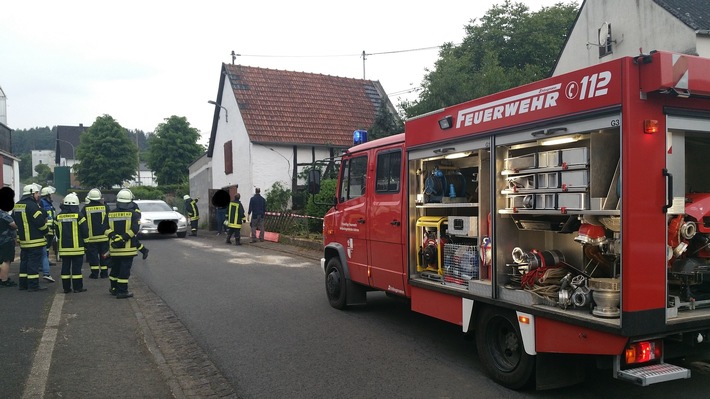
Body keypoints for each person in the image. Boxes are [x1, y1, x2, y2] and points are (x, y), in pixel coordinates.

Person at [13, 184, 49, 291]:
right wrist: (46, 230)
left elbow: (15, 220)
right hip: (35, 241)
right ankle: (33, 286)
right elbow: (40, 222)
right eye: (37, 193)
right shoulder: (32, 206)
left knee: (24, 263)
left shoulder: (17, 205)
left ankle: (23, 284)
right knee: (33, 264)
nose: (38, 195)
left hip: (24, 241)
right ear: (32, 193)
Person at [106, 188, 141, 299]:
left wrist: (114, 237)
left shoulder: (110, 214)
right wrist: (123, 238)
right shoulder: (134, 214)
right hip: (127, 249)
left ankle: (114, 289)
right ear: (130, 202)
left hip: (114, 249)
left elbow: (104, 228)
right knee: (124, 271)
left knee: (115, 269)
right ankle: (122, 291)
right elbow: (135, 229)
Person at [55, 193, 89, 293]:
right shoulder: (79, 216)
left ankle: (66, 288)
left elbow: (57, 232)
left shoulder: (58, 217)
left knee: (65, 268)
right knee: (76, 270)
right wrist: (86, 244)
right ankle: (77, 288)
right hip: (77, 248)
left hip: (64, 248)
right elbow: (85, 231)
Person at [81, 188, 111, 279]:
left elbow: (83, 223)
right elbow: (109, 220)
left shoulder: (85, 208)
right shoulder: (105, 207)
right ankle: (104, 273)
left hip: (91, 238)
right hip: (104, 237)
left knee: (93, 256)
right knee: (104, 255)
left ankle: (94, 274)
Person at [39, 186, 57, 282]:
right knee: (45, 247)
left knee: (47, 247)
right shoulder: (42, 202)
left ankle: (45, 262)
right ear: (47, 195)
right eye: (51, 194)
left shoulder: (49, 203)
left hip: (50, 229)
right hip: (47, 229)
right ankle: (43, 264)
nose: (52, 196)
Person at [0, 199, 18, 287]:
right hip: (6, 240)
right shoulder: (3, 215)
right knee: (6, 260)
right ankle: (4, 280)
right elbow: (14, 225)